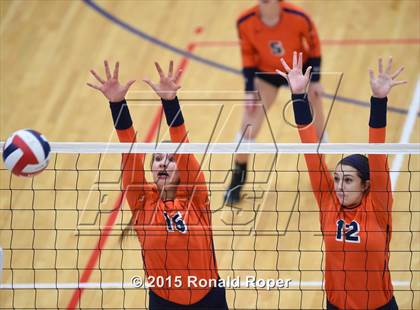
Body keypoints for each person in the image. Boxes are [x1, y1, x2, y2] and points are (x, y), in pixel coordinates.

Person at [87, 60, 228, 309]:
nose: (163, 163)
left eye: (170, 160)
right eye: (158, 159)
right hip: (164, 301)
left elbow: (183, 148)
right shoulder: (142, 202)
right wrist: (117, 104)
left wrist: (170, 102)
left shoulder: (195, 197)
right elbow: (130, 153)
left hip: (209, 298)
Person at [277, 52, 405, 309]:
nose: (338, 186)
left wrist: (379, 101)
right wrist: (299, 97)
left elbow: (377, 157)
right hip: (336, 305)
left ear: (366, 185)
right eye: (336, 179)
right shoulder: (329, 202)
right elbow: (311, 153)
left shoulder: (377, 207)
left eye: (347, 180)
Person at [225, 0, 325, 204]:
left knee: (316, 121)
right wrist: (249, 90)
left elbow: (314, 47)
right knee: (248, 125)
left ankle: (323, 175)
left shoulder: (299, 17)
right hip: (267, 74)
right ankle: (237, 180)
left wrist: (314, 80)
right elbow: (247, 55)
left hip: (298, 72)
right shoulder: (244, 21)